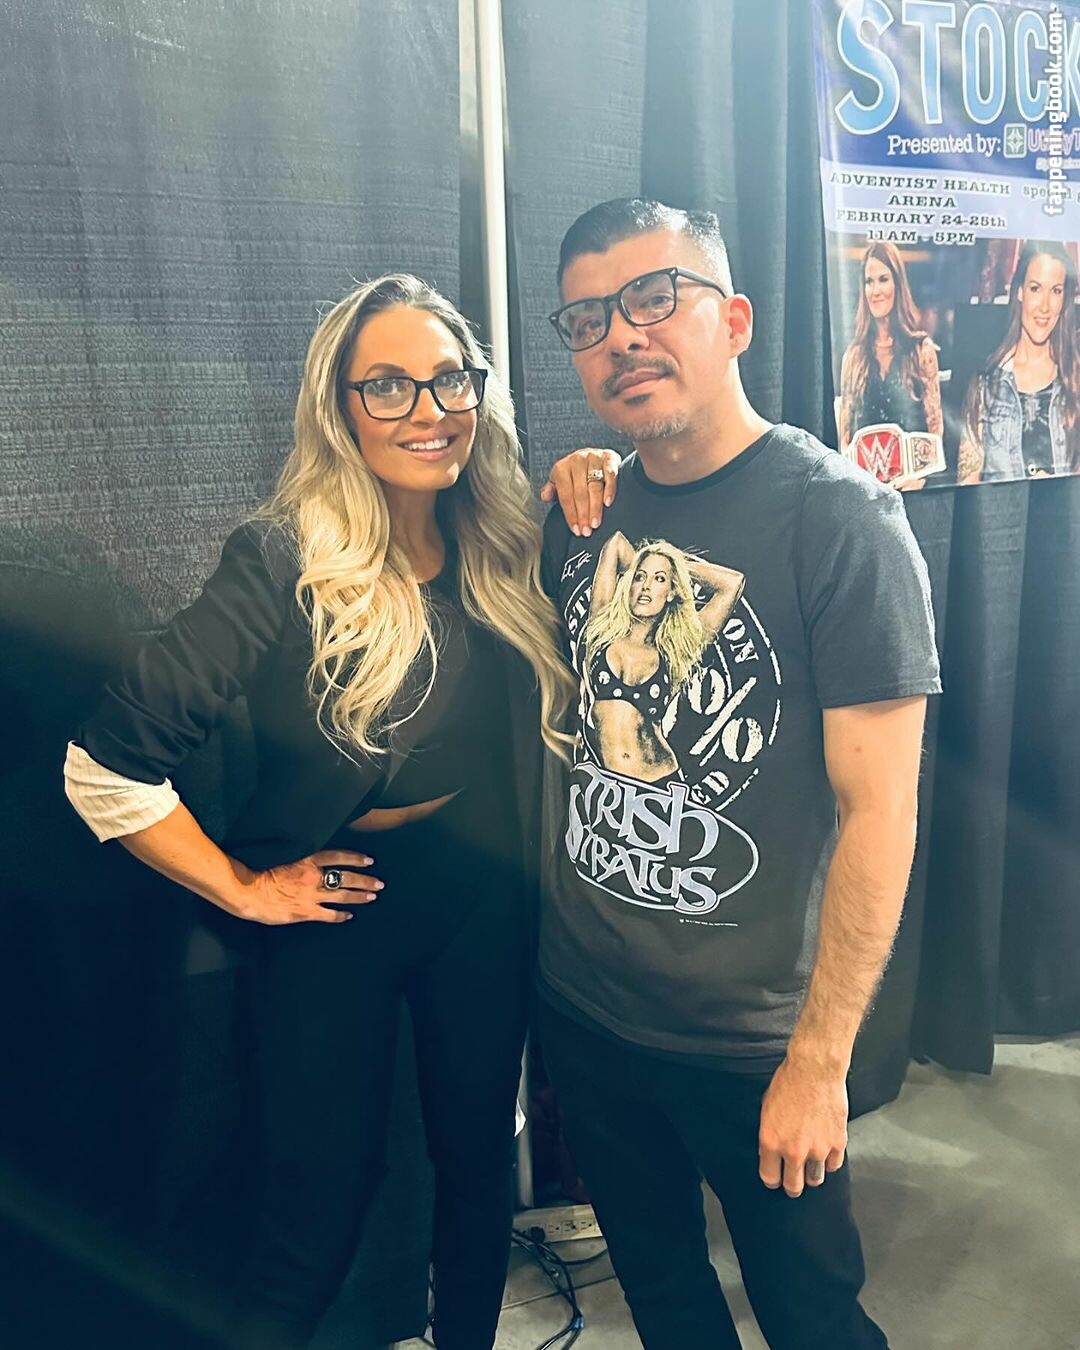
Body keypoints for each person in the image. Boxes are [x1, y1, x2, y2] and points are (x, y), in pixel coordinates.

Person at [63, 273, 595, 1350]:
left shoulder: (504, 541)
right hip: (342, 908)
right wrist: (242, 889)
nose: (427, 410)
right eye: (387, 386)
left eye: (450, 380)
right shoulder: (282, 558)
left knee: (476, 1166)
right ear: (339, 407)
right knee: (321, 1200)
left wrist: (595, 470)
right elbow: (103, 766)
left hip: (482, 895)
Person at [539, 199, 941, 1349]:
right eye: (588, 319)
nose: (622, 335)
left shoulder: (840, 521)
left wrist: (821, 1060)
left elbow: (880, 811)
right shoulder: (581, 511)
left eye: (654, 298)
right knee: (664, 1298)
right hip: (588, 1009)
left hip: (754, 1040)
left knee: (812, 1317)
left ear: (736, 321)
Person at [583, 531, 743, 781]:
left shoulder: (674, 651)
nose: (646, 586)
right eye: (639, 576)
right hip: (609, 785)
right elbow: (615, 544)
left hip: (660, 784)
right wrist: (651, 562)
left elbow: (732, 583)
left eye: (659, 579)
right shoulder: (602, 628)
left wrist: (673, 567)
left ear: (671, 592)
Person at [958, 239, 1080, 483]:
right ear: (1020, 291)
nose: (1045, 306)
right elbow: (968, 484)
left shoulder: (1074, 378)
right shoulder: (986, 384)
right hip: (1002, 509)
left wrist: (1054, 491)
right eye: (1036, 288)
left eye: (1056, 291)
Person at [838, 240, 943, 489]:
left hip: (913, 489)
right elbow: (844, 436)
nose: (875, 290)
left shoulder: (921, 351)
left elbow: (935, 427)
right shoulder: (853, 356)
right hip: (866, 491)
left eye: (883, 279)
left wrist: (919, 479)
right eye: (869, 281)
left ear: (897, 283)